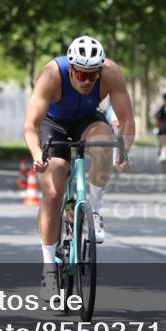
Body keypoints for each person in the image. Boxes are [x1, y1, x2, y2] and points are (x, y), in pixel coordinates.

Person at [23, 36, 134, 296]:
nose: (86, 81)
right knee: (53, 190)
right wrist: (37, 153)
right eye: (80, 74)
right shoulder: (52, 74)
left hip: (89, 120)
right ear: (71, 68)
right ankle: (49, 268)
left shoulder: (111, 73)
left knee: (105, 146)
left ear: (99, 71)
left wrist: (124, 151)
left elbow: (127, 120)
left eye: (91, 76)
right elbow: (31, 124)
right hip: (54, 124)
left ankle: (93, 212)